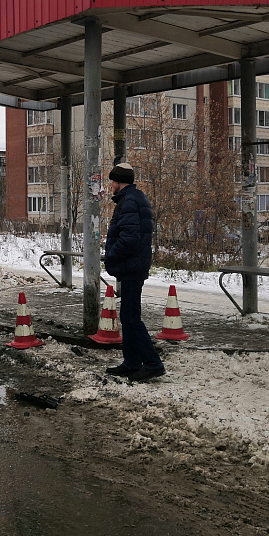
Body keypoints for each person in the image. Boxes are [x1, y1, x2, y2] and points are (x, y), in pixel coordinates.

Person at [103, 162, 166, 382]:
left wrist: (111, 254)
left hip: (131, 266)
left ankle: (152, 363)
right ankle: (131, 362)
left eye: (112, 180)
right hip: (133, 265)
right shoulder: (135, 198)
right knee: (128, 316)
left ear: (119, 181)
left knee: (131, 318)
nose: (110, 184)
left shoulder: (129, 201)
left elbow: (129, 238)